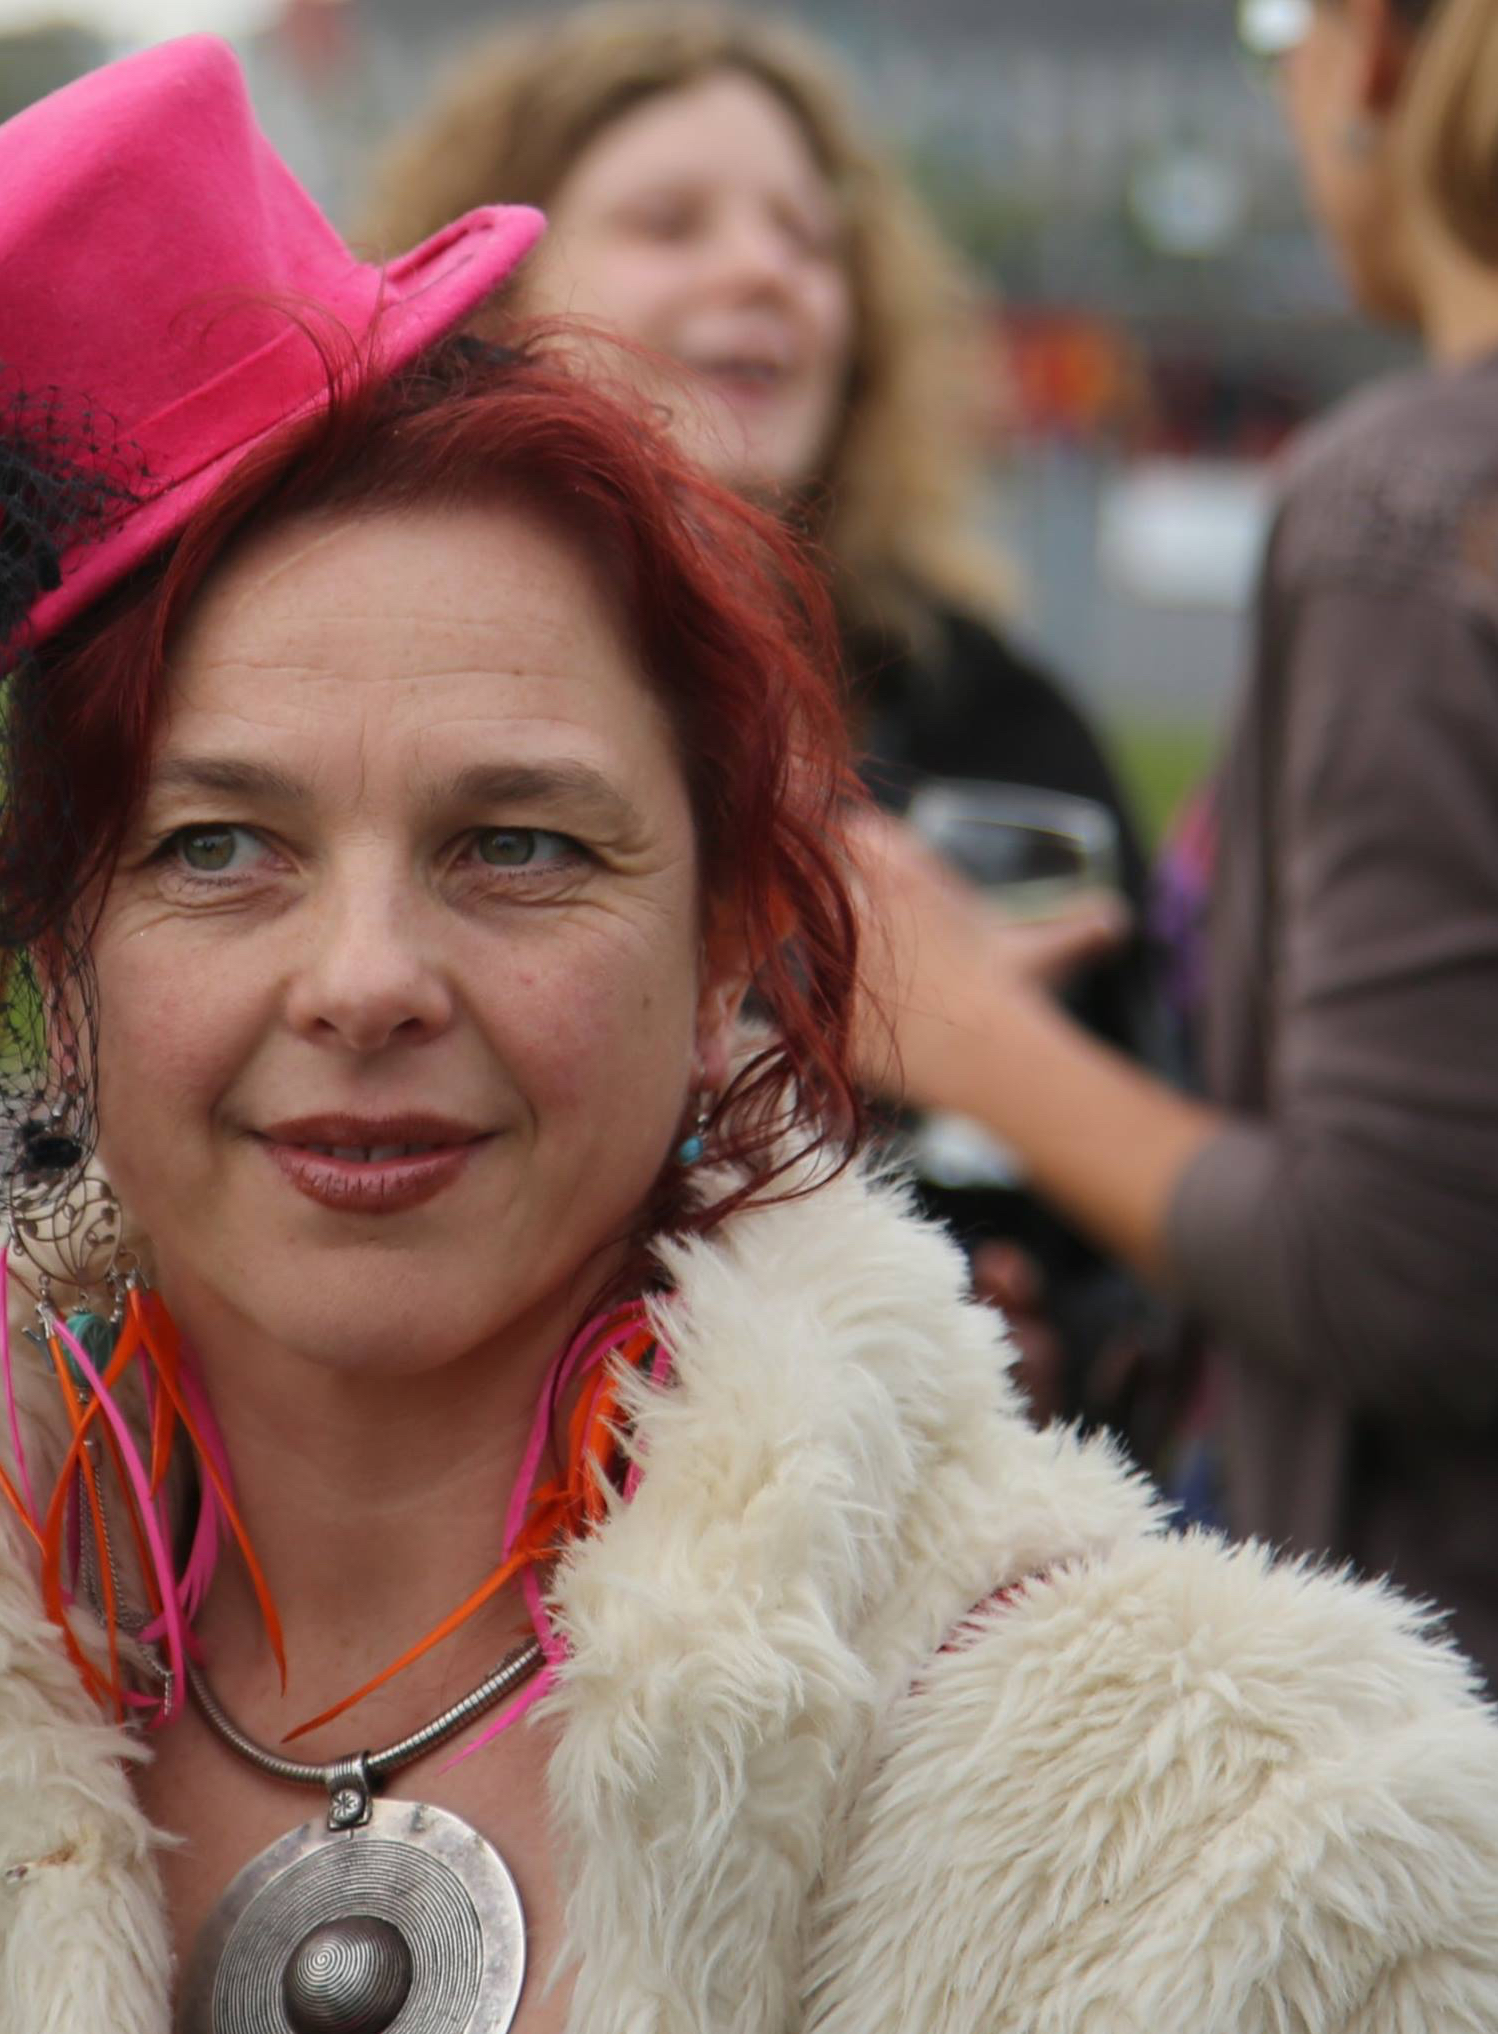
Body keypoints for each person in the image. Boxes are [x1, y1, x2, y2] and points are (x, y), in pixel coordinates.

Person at [0, 35, 1498, 2034]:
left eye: (517, 843)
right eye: (219, 845)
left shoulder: (1270, 1858)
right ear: (60, 969)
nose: (366, 974)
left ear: (732, 937)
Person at [848, 0, 1498, 1738]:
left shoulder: (1422, 515)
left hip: (1459, 1750)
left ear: (1379, 55)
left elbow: (1404, 1270)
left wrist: (961, 1031)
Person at [360, 4, 1165, 1428]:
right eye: (673, 221)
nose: (763, 271)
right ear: (489, 296)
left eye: (806, 238)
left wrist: (1063, 1354)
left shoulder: (997, 718)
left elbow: (1152, 1231)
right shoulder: (362, 674)